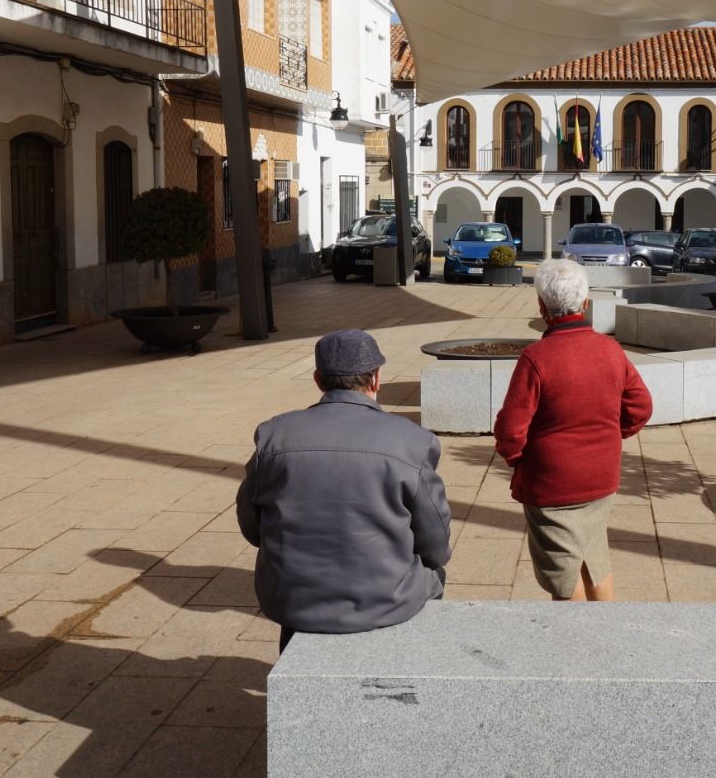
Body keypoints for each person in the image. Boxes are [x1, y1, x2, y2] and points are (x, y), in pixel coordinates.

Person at [237, 329, 451, 645]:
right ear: (376, 379)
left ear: (317, 380)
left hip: (291, 597)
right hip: (387, 600)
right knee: (435, 576)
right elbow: (435, 543)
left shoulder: (274, 435)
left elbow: (252, 526)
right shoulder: (413, 441)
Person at [494, 259, 652, 601]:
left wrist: (524, 459)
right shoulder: (610, 350)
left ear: (541, 306)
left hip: (553, 486)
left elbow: (510, 432)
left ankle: (576, 649)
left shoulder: (536, 358)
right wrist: (610, 435)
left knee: (563, 578)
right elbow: (641, 407)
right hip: (601, 477)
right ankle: (606, 634)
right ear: (584, 303)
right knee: (596, 559)